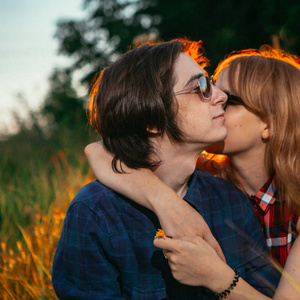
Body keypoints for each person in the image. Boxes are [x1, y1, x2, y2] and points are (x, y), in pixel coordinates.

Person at [84, 46, 300, 299]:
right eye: (208, 88)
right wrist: (165, 201)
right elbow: (97, 151)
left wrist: (215, 276)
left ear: (270, 124)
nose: (215, 98)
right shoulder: (209, 176)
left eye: (230, 99)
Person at [52, 40, 280, 299]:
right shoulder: (96, 215)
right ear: (151, 118)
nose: (221, 96)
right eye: (201, 87)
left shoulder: (229, 200)